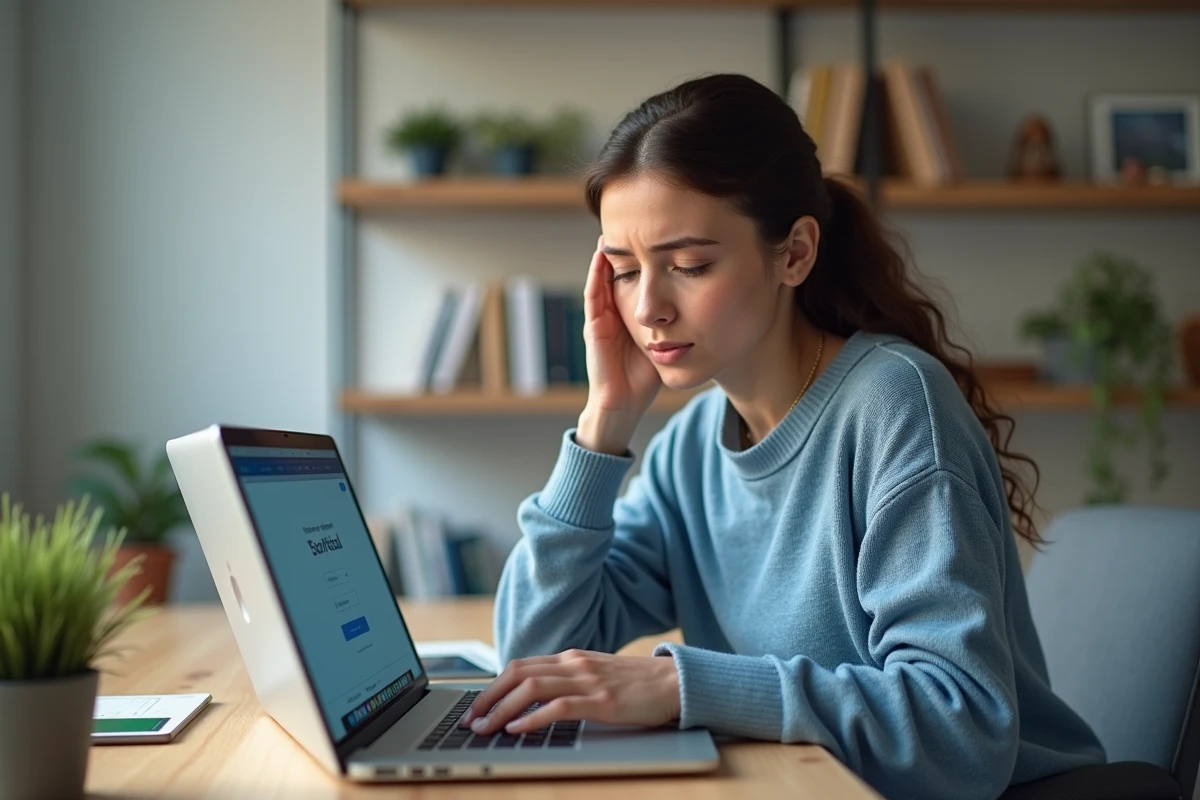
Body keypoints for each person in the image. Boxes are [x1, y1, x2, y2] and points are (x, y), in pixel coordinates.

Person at [460, 74, 1105, 799]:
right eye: (624, 270)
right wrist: (603, 425)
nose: (648, 309)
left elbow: (960, 733)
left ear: (794, 253)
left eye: (690, 265)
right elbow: (535, 663)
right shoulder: (692, 445)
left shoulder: (896, 406)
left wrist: (681, 683)